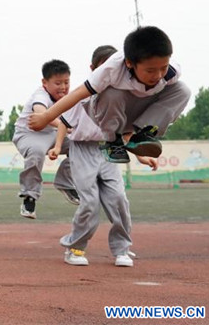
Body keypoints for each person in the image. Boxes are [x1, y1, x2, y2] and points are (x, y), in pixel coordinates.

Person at [48, 45, 158, 267]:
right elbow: (64, 122)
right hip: (83, 150)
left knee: (118, 199)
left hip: (109, 149)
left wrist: (141, 156)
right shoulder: (83, 95)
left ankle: (122, 249)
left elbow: (126, 134)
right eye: (104, 68)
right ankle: (76, 248)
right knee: (89, 202)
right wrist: (57, 146)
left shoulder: (123, 98)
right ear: (93, 69)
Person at [29, 26, 190, 163]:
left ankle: (144, 132)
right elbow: (78, 93)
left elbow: (172, 98)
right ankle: (113, 142)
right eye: (150, 70)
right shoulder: (111, 69)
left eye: (163, 67)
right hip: (107, 113)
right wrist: (46, 117)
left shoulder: (171, 72)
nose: (158, 75)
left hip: (137, 113)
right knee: (112, 93)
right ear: (129, 63)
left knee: (182, 90)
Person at [12, 60, 79, 219]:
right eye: (58, 83)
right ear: (45, 83)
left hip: (53, 133)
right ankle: (30, 196)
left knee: (82, 146)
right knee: (36, 152)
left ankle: (65, 182)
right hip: (29, 134)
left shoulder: (68, 97)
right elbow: (42, 115)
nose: (63, 87)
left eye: (66, 82)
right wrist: (68, 127)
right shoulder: (40, 95)